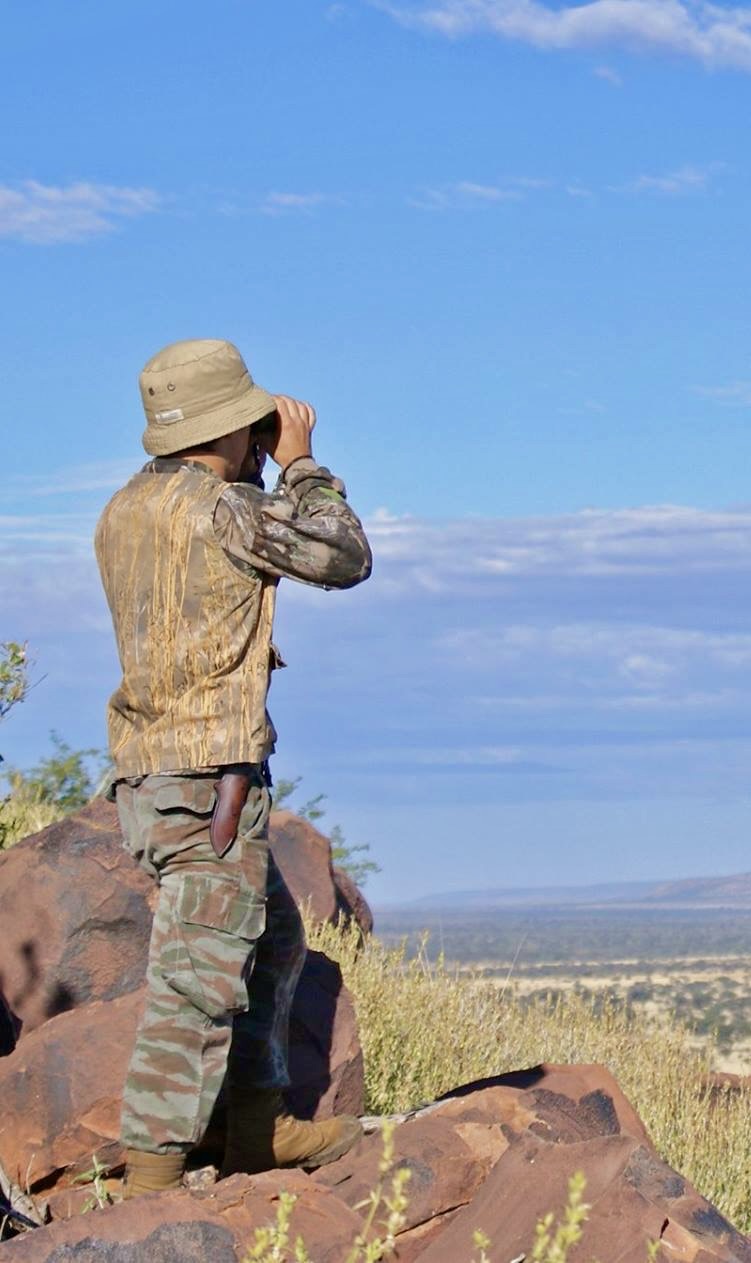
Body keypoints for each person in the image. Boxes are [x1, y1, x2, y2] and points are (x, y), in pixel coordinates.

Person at [94, 338, 373, 1195]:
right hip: (207, 780)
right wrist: (302, 462)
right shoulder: (224, 511)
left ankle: (257, 1124)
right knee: (198, 982)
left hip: (151, 773)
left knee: (275, 935)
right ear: (228, 427)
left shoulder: (124, 509)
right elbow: (341, 555)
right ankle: (152, 1177)